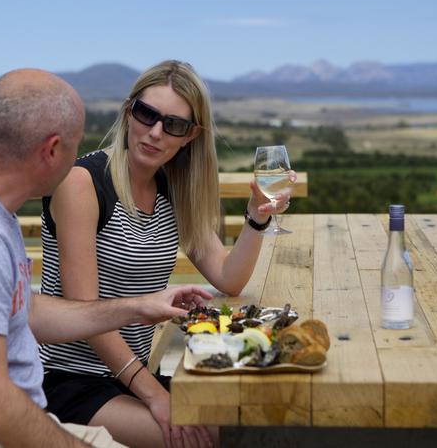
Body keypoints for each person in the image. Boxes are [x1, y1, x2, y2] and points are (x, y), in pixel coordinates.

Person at [0, 68, 213, 448]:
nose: (84, 159)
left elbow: (28, 312)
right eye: (76, 145)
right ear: (52, 150)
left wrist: (138, 307)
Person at [39, 60, 296, 448]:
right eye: (147, 114)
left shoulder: (170, 189)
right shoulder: (82, 183)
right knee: (212, 435)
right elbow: (85, 313)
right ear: (128, 112)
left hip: (132, 376)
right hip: (70, 381)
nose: (155, 132)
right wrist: (156, 395)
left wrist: (257, 216)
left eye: (173, 125)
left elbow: (229, 277)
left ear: (190, 137)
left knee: (252, 416)